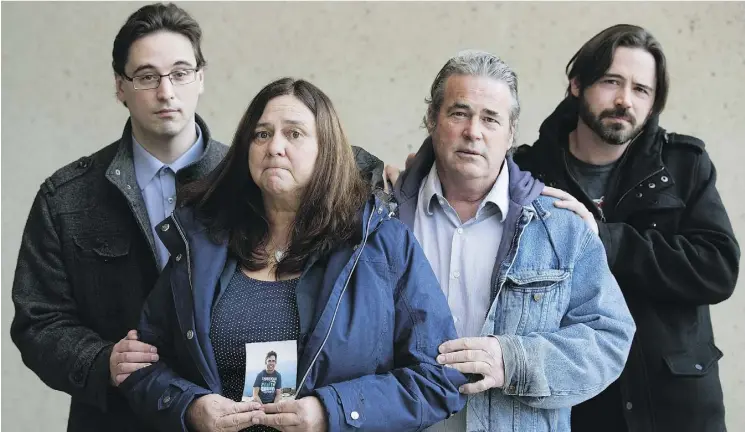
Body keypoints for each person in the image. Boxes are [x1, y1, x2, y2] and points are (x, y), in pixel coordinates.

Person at [119, 77, 467, 432]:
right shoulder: (202, 243)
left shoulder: (382, 243)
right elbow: (142, 364)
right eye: (261, 134)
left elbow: (440, 380)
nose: (274, 147)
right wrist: (189, 408)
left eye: (294, 134)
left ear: (326, 150)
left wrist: (332, 412)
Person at [390, 50, 636, 432]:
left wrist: (514, 361)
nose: (474, 131)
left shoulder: (559, 227)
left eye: (490, 118)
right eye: (459, 113)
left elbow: (610, 338)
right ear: (432, 119)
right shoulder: (382, 217)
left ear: (511, 133)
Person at [10, 4, 228, 431]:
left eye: (181, 72)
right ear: (120, 87)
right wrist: (100, 359)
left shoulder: (247, 183)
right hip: (115, 419)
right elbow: (39, 320)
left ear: (200, 78)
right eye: (147, 76)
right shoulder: (67, 197)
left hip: (224, 415)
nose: (166, 92)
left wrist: (391, 182)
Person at [512, 24, 740, 432]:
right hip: (581, 402)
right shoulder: (529, 172)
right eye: (611, 82)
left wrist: (605, 240)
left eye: (641, 90)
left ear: (653, 104)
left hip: (679, 407)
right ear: (577, 84)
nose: (624, 100)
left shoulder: (684, 166)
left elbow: (718, 269)